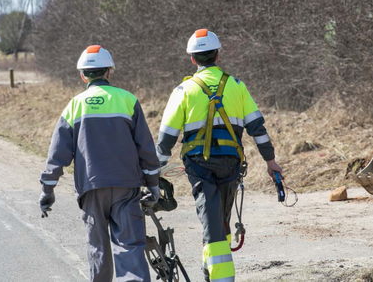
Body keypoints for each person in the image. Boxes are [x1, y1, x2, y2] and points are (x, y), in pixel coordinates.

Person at [156, 29, 283, 282]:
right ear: (217, 54)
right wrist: (271, 162)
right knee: (220, 222)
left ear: (193, 58)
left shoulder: (184, 90)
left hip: (200, 166)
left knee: (213, 225)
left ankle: (220, 277)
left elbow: (166, 139)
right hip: (231, 165)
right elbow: (257, 128)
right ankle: (209, 273)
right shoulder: (237, 86)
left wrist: (153, 171)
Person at [38, 45, 161, 282]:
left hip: (91, 189)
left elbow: (57, 155)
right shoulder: (128, 100)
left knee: (98, 250)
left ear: (83, 75)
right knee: (129, 248)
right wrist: (153, 184)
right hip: (126, 187)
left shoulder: (75, 106)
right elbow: (146, 148)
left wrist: (47, 191)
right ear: (108, 72)